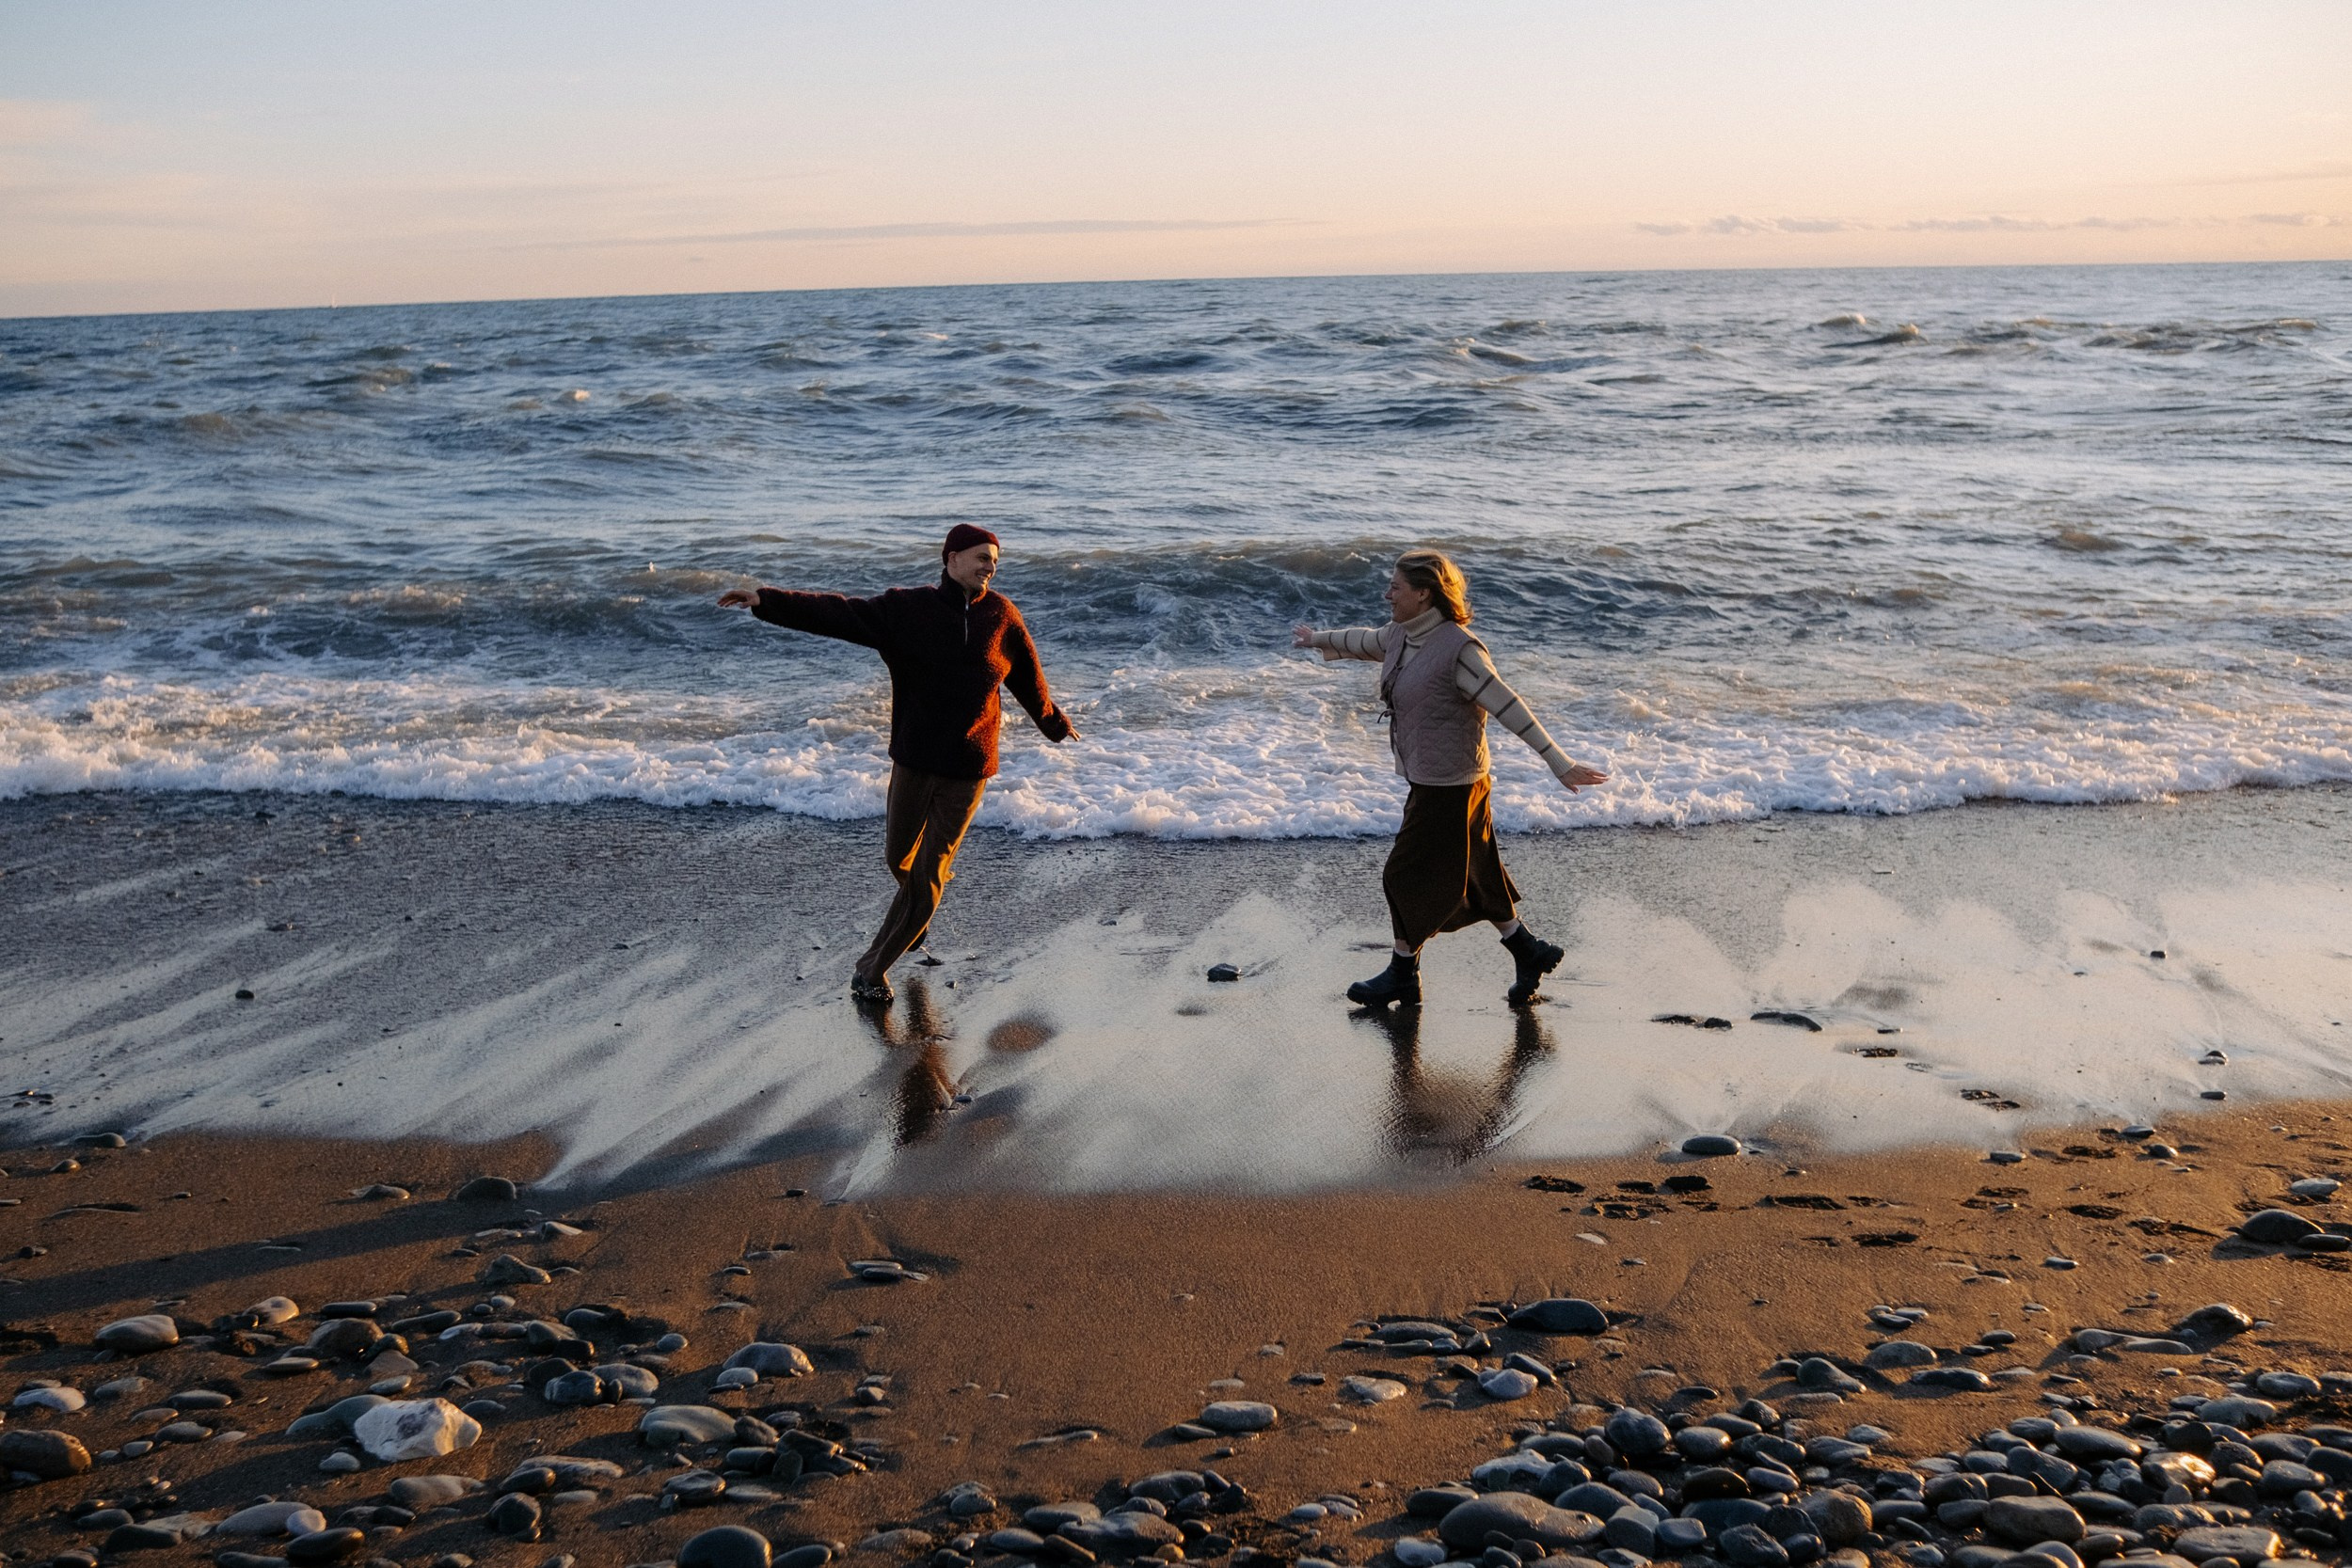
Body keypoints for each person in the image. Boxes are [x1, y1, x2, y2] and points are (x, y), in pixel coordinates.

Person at [719, 524, 1078, 1005]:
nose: (990, 567)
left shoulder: (1001, 615)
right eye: (981, 558)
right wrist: (767, 601)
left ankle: (872, 968)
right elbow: (840, 614)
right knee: (899, 860)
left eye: (995, 560)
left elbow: (1028, 676)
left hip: (969, 769)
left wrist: (1052, 722)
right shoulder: (907, 610)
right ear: (950, 559)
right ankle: (915, 918)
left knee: (928, 877)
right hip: (913, 760)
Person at [1293, 549, 1605, 1008]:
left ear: (1423, 593)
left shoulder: (1460, 650)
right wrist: (1317, 638)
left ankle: (1402, 972)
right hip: (1437, 777)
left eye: (1396, 587)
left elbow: (1508, 705)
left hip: (1452, 784)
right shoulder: (1403, 634)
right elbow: (1366, 640)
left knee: (1401, 874)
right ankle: (1528, 951)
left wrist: (1557, 761)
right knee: (1480, 875)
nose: (1387, 594)